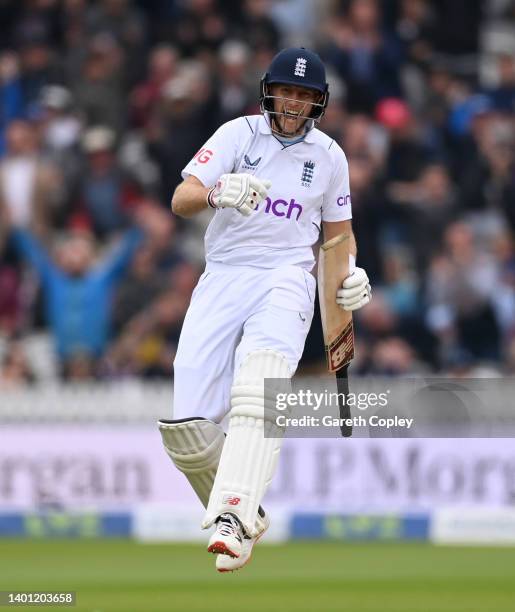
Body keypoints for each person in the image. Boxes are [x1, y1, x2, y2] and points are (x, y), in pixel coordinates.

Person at [158, 47, 372, 573]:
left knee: (260, 385)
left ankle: (231, 517)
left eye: (305, 95)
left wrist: (351, 279)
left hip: (286, 278)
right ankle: (248, 508)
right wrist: (216, 195)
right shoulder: (238, 134)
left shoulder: (329, 156)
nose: (294, 103)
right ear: (268, 92)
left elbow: (339, 237)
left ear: (319, 102)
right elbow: (181, 198)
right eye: (287, 91)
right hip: (224, 274)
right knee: (187, 429)